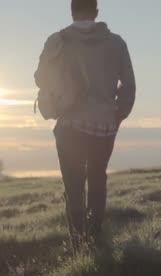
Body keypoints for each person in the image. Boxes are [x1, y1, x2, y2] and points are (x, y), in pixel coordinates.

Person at [35, 0, 136, 241]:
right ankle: (96, 235)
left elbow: (41, 78)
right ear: (97, 12)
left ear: (71, 12)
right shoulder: (116, 43)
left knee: (73, 185)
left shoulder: (57, 40)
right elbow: (129, 86)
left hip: (70, 124)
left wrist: (62, 92)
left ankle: (79, 243)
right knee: (98, 179)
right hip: (105, 125)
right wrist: (118, 115)